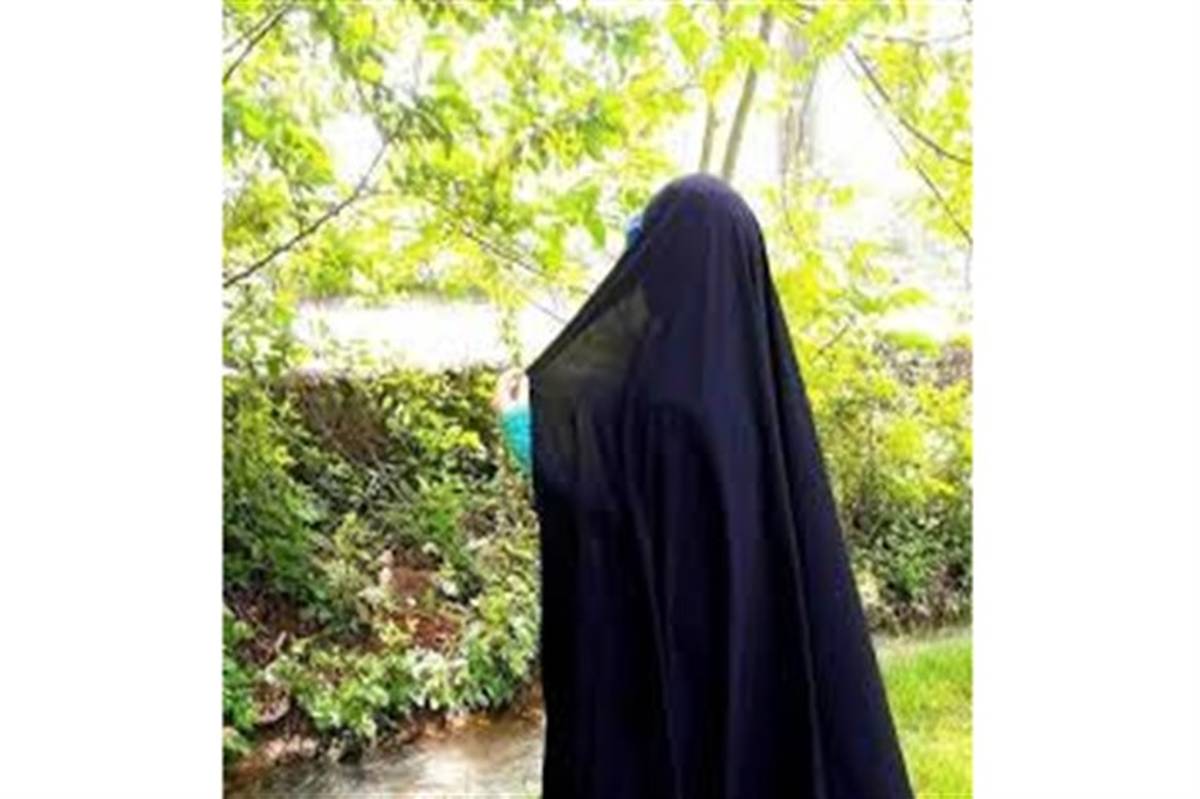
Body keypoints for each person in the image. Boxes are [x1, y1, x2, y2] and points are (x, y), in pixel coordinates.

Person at [496, 174, 912, 799]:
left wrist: (532, 438)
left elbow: (609, 517)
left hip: (676, 666)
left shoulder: (653, 396)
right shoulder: (764, 390)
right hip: (754, 653)